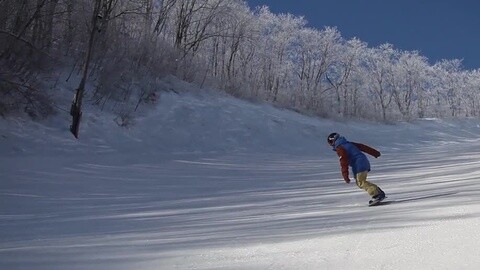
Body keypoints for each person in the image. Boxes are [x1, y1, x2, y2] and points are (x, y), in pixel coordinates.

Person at [327, 132, 386, 205]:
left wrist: (345, 175)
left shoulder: (340, 148)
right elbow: (363, 147)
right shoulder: (348, 143)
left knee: (361, 182)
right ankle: (378, 192)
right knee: (360, 182)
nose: (330, 145)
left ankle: (377, 194)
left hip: (359, 164)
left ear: (333, 141)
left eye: (330, 142)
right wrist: (375, 153)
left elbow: (343, 162)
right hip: (363, 162)